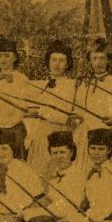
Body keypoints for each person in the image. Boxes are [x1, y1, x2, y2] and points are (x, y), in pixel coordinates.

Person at [21, 130, 86, 222]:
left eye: (62, 152)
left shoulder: (76, 176)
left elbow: (67, 207)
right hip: (55, 215)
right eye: (55, 153)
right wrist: (33, 207)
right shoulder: (56, 174)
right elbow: (51, 199)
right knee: (24, 219)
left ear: (71, 153)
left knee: (36, 221)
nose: (59, 157)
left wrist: (35, 213)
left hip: (67, 220)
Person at [25, 40, 79, 177]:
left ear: (67, 64)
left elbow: (66, 113)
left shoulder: (72, 85)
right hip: (43, 133)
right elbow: (31, 108)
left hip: (62, 131)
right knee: (41, 168)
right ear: (48, 62)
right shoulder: (41, 85)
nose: (57, 64)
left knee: (60, 169)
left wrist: (40, 112)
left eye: (61, 60)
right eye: (54, 60)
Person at [72, 38, 112, 163]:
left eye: (102, 58)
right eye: (94, 58)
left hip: (104, 133)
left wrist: (111, 119)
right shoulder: (85, 82)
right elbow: (78, 105)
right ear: (90, 60)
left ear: (108, 60)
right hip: (85, 133)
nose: (98, 62)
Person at [0, 36, 29, 158]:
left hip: (14, 128)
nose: (3, 59)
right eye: (0, 56)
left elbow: (23, 106)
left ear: (14, 57)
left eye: (7, 55)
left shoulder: (21, 79)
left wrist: (10, 122)